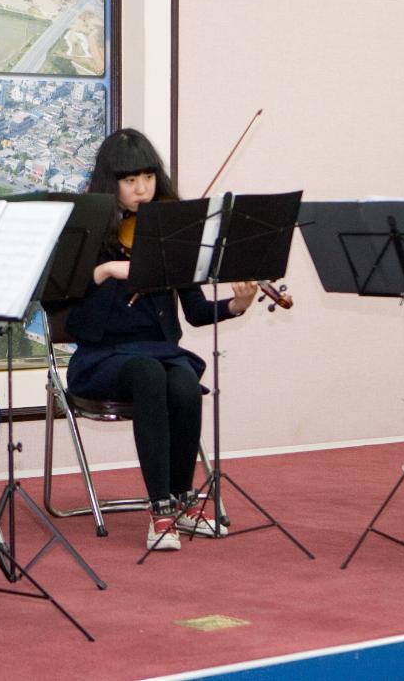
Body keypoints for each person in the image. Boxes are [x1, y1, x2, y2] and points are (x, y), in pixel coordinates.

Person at [61, 128, 265, 551]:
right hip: (101, 358)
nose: (142, 190)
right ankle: (159, 510)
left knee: (184, 381)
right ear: (109, 183)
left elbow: (194, 312)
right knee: (152, 373)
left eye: (148, 178)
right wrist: (104, 273)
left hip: (157, 352)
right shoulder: (87, 234)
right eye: (130, 180)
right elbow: (72, 319)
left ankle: (184, 499)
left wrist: (236, 305)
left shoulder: (167, 234)